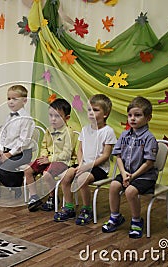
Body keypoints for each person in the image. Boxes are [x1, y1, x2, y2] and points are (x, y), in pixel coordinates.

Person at [54, 94, 117, 225]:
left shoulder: (108, 131)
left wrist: (86, 167)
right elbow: (80, 150)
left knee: (82, 179)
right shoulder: (85, 129)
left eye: (95, 110)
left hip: (99, 168)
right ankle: (69, 207)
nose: (91, 113)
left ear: (105, 114)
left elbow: (105, 156)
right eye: (89, 110)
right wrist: (81, 163)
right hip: (84, 164)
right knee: (66, 176)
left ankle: (87, 209)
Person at [102, 96, 158, 239]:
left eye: (137, 115)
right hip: (126, 172)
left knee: (130, 191)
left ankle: (136, 221)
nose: (132, 119)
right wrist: (124, 172)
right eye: (130, 115)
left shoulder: (149, 138)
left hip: (144, 175)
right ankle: (115, 217)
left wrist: (132, 177)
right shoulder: (125, 134)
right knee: (114, 185)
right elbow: (118, 155)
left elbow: (149, 163)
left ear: (148, 118)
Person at [25, 98, 77, 212]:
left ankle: (52, 197)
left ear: (67, 118)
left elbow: (66, 154)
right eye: (51, 115)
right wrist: (43, 156)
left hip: (63, 162)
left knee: (46, 174)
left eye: (57, 116)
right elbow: (44, 146)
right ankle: (34, 197)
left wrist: (49, 159)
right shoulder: (49, 130)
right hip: (48, 159)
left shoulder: (69, 133)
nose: (53, 119)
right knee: (28, 170)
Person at [0, 85, 35, 198]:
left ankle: (17, 184)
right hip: (7, 151)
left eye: (14, 99)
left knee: (4, 167)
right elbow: (3, 135)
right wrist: (0, 150)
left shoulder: (26, 119)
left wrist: (9, 154)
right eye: (9, 99)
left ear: (24, 101)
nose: (11, 102)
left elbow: (23, 142)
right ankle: (16, 184)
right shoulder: (9, 117)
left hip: (22, 153)